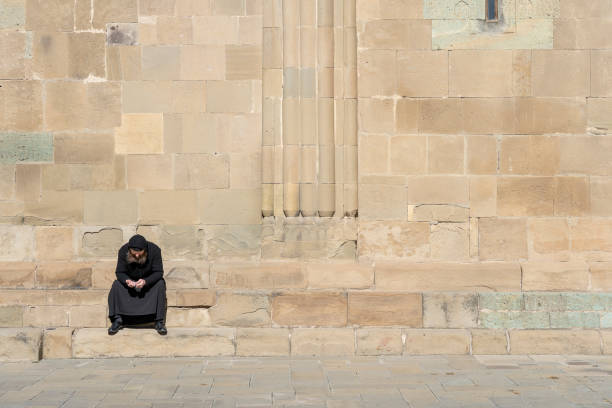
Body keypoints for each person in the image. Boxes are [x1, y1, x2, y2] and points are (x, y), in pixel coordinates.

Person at [107, 234, 167, 335]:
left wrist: (145, 281)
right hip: (130, 285)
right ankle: (117, 320)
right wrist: (127, 281)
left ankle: (159, 322)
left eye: (140, 253)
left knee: (160, 283)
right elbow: (119, 272)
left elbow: (158, 272)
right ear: (129, 249)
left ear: (145, 249)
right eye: (134, 253)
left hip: (148, 285)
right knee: (116, 284)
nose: (137, 256)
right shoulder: (123, 250)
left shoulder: (155, 250)